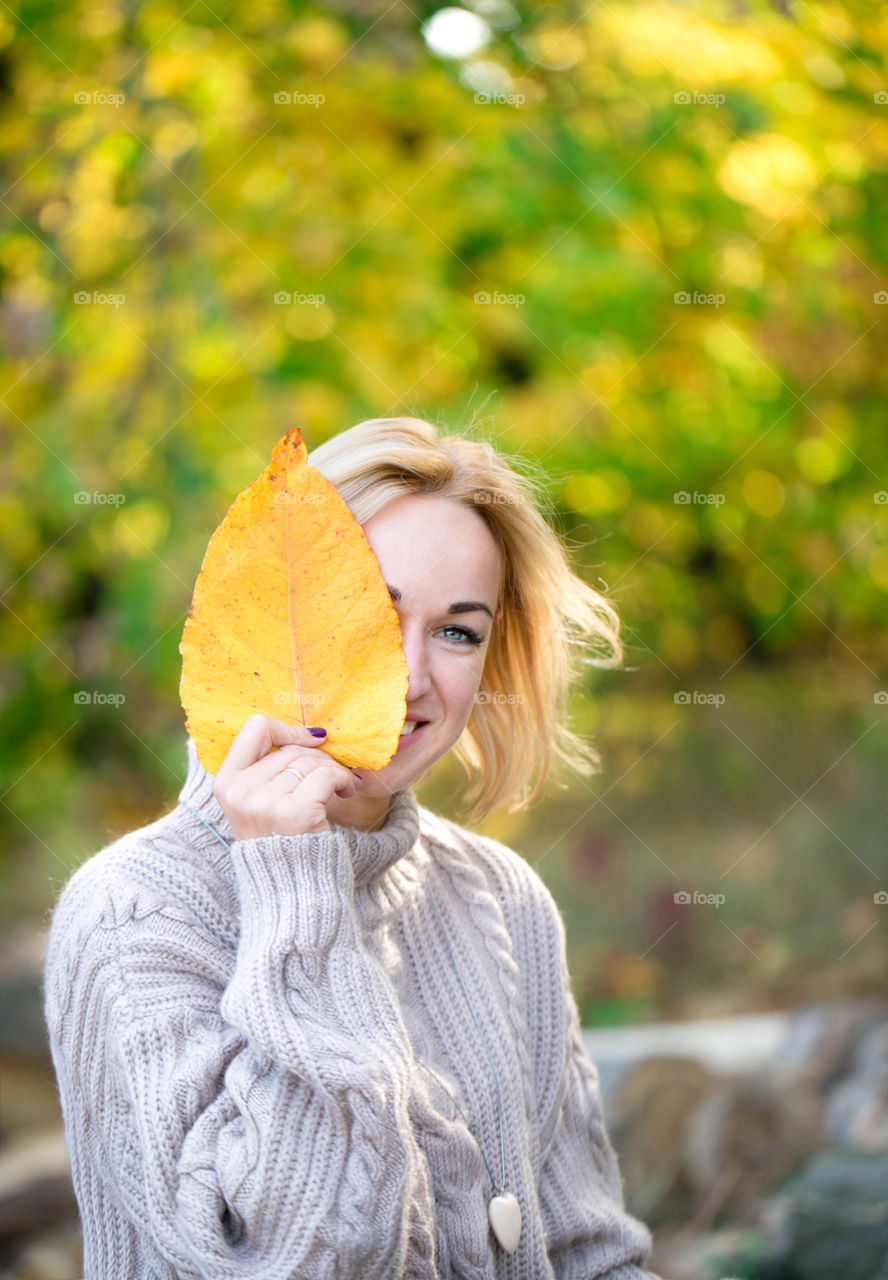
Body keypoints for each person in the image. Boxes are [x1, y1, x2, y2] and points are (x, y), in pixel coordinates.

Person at [44, 416, 667, 1278]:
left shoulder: (502, 898)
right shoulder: (132, 912)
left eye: (458, 631)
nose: (411, 675)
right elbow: (282, 1261)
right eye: (372, 608)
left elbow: (590, 1253)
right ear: (278, 615)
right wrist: (295, 882)